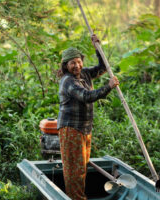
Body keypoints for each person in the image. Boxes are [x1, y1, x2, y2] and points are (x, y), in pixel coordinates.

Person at [57, 34, 119, 200]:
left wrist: (97, 48)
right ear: (66, 65)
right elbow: (86, 96)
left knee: (82, 168)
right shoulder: (67, 81)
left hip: (84, 128)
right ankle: (76, 198)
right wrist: (108, 87)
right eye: (72, 63)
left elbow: (102, 67)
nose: (77, 66)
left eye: (78, 62)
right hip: (71, 129)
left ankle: (79, 196)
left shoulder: (84, 74)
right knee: (74, 170)